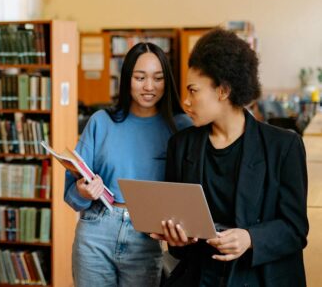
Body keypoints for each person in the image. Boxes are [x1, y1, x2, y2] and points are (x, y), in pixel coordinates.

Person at [152, 28, 309, 286]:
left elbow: (295, 229)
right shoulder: (180, 146)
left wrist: (250, 238)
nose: (186, 101)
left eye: (193, 91)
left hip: (259, 277)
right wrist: (176, 238)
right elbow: (179, 250)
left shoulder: (284, 146)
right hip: (200, 278)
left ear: (223, 91)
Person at [64, 42, 192, 287]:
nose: (149, 87)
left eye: (158, 78)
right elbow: (70, 194)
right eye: (140, 77)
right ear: (126, 79)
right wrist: (82, 191)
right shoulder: (101, 122)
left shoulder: (181, 127)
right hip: (96, 231)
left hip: (147, 235)